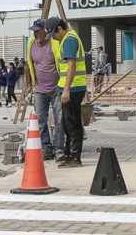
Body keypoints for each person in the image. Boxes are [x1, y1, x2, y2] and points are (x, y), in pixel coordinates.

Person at [44, 17, 87, 168]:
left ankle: (75, 157)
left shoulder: (69, 40)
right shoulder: (67, 39)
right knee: (67, 124)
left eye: (53, 34)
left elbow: (71, 66)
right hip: (68, 87)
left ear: (60, 29)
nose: (53, 38)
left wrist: (66, 89)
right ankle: (69, 155)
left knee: (72, 124)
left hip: (73, 88)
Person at [26, 18, 63, 160]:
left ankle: (59, 149)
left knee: (59, 120)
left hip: (56, 88)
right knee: (40, 120)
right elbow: (28, 64)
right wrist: (29, 85)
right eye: (34, 31)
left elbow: (62, 63)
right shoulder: (31, 43)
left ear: (45, 31)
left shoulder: (54, 43)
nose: (35, 34)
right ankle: (46, 149)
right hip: (39, 89)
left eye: (38, 31)